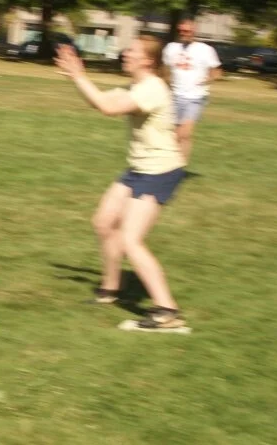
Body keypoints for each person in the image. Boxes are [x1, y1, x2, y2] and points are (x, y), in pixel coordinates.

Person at [54, 37, 190, 333]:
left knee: (131, 239)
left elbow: (108, 109)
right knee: (104, 222)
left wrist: (79, 76)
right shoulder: (135, 87)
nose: (125, 53)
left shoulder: (153, 88)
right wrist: (77, 77)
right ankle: (110, 289)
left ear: (148, 61)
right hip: (138, 169)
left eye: (132, 50)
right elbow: (101, 101)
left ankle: (167, 310)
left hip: (160, 170)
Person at [162, 18, 221, 165]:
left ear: (194, 31)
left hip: (196, 96)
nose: (183, 33)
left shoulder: (205, 49)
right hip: (175, 95)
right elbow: (164, 69)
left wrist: (207, 79)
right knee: (175, 135)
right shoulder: (171, 48)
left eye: (187, 31)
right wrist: (165, 82)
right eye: (181, 31)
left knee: (185, 133)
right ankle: (174, 164)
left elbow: (217, 72)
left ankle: (179, 167)